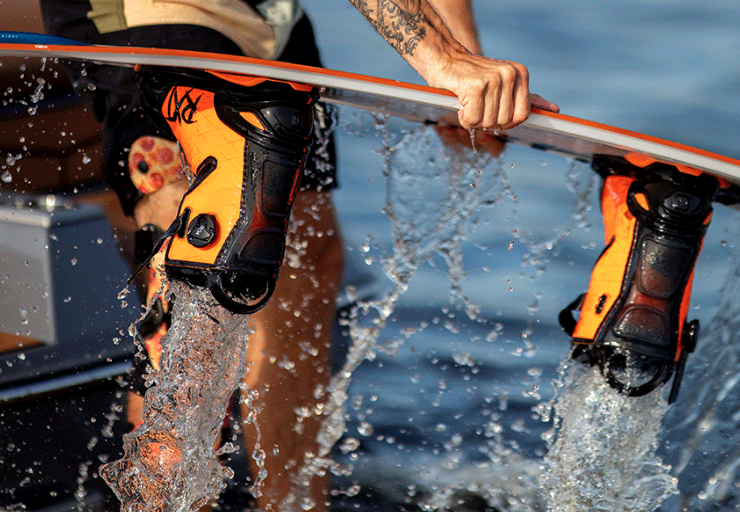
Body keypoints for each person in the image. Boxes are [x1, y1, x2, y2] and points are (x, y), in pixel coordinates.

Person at [37, 0, 557, 510]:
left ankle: (293, 504)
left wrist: (465, 77)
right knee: (203, 240)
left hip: (270, 16)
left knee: (308, 257)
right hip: (154, 11)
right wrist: (442, 59)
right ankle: (165, 504)